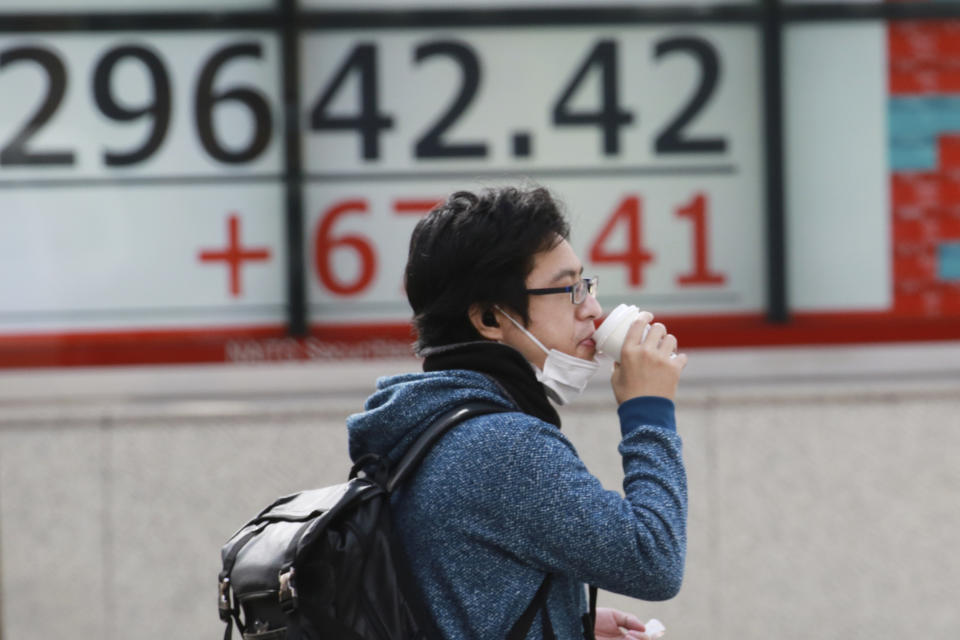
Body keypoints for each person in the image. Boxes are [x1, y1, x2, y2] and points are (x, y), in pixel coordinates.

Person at [346, 186, 688, 639]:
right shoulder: (503, 447)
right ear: (490, 319)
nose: (593, 309)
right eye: (569, 290)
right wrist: (648, 410)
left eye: (586, 285)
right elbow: (654, 560)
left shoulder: (429, 424)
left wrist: (566, 623)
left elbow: (460, 599)